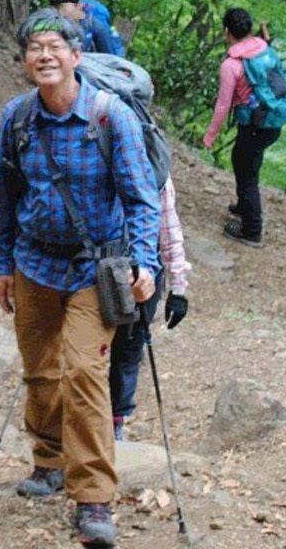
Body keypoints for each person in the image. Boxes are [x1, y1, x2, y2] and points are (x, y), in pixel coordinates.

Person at [0, 8, 160, 549]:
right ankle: (48, 462)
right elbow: (6, 196)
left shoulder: (111, 118)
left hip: (96, 268)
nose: (45, 55)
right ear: (24, 62)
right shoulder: (16, 119)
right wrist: (1, 264)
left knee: (84, 373)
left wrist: (145, 263)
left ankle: (93, 499)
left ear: (76, 55)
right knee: (41, 372)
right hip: (34, 263)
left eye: (55, 46)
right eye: (35, 47)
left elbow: (141, 198)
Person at [109, 176, 190, 439]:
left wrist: (178, 288)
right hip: (96, 267)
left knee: (129, 347)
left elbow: (168, 229)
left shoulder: (156, 167)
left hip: (142, 274)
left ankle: (114, 421)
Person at [202, 7, 277, 247]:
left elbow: (223, 106)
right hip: (272, 118)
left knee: (246, 174)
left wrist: (210, 135)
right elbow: (266, 42)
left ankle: (251, 230)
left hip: (256, 123)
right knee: (246, 160)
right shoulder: (260, 46)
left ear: (226, 31)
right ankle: (244, 206)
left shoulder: (231, 65)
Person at [49, 0, 115, 55]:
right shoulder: (51, 25)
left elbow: (109, 58)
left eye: (63, 10)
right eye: (56, 10)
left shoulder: (96, 27)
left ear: (77, 5)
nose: (59, 15)